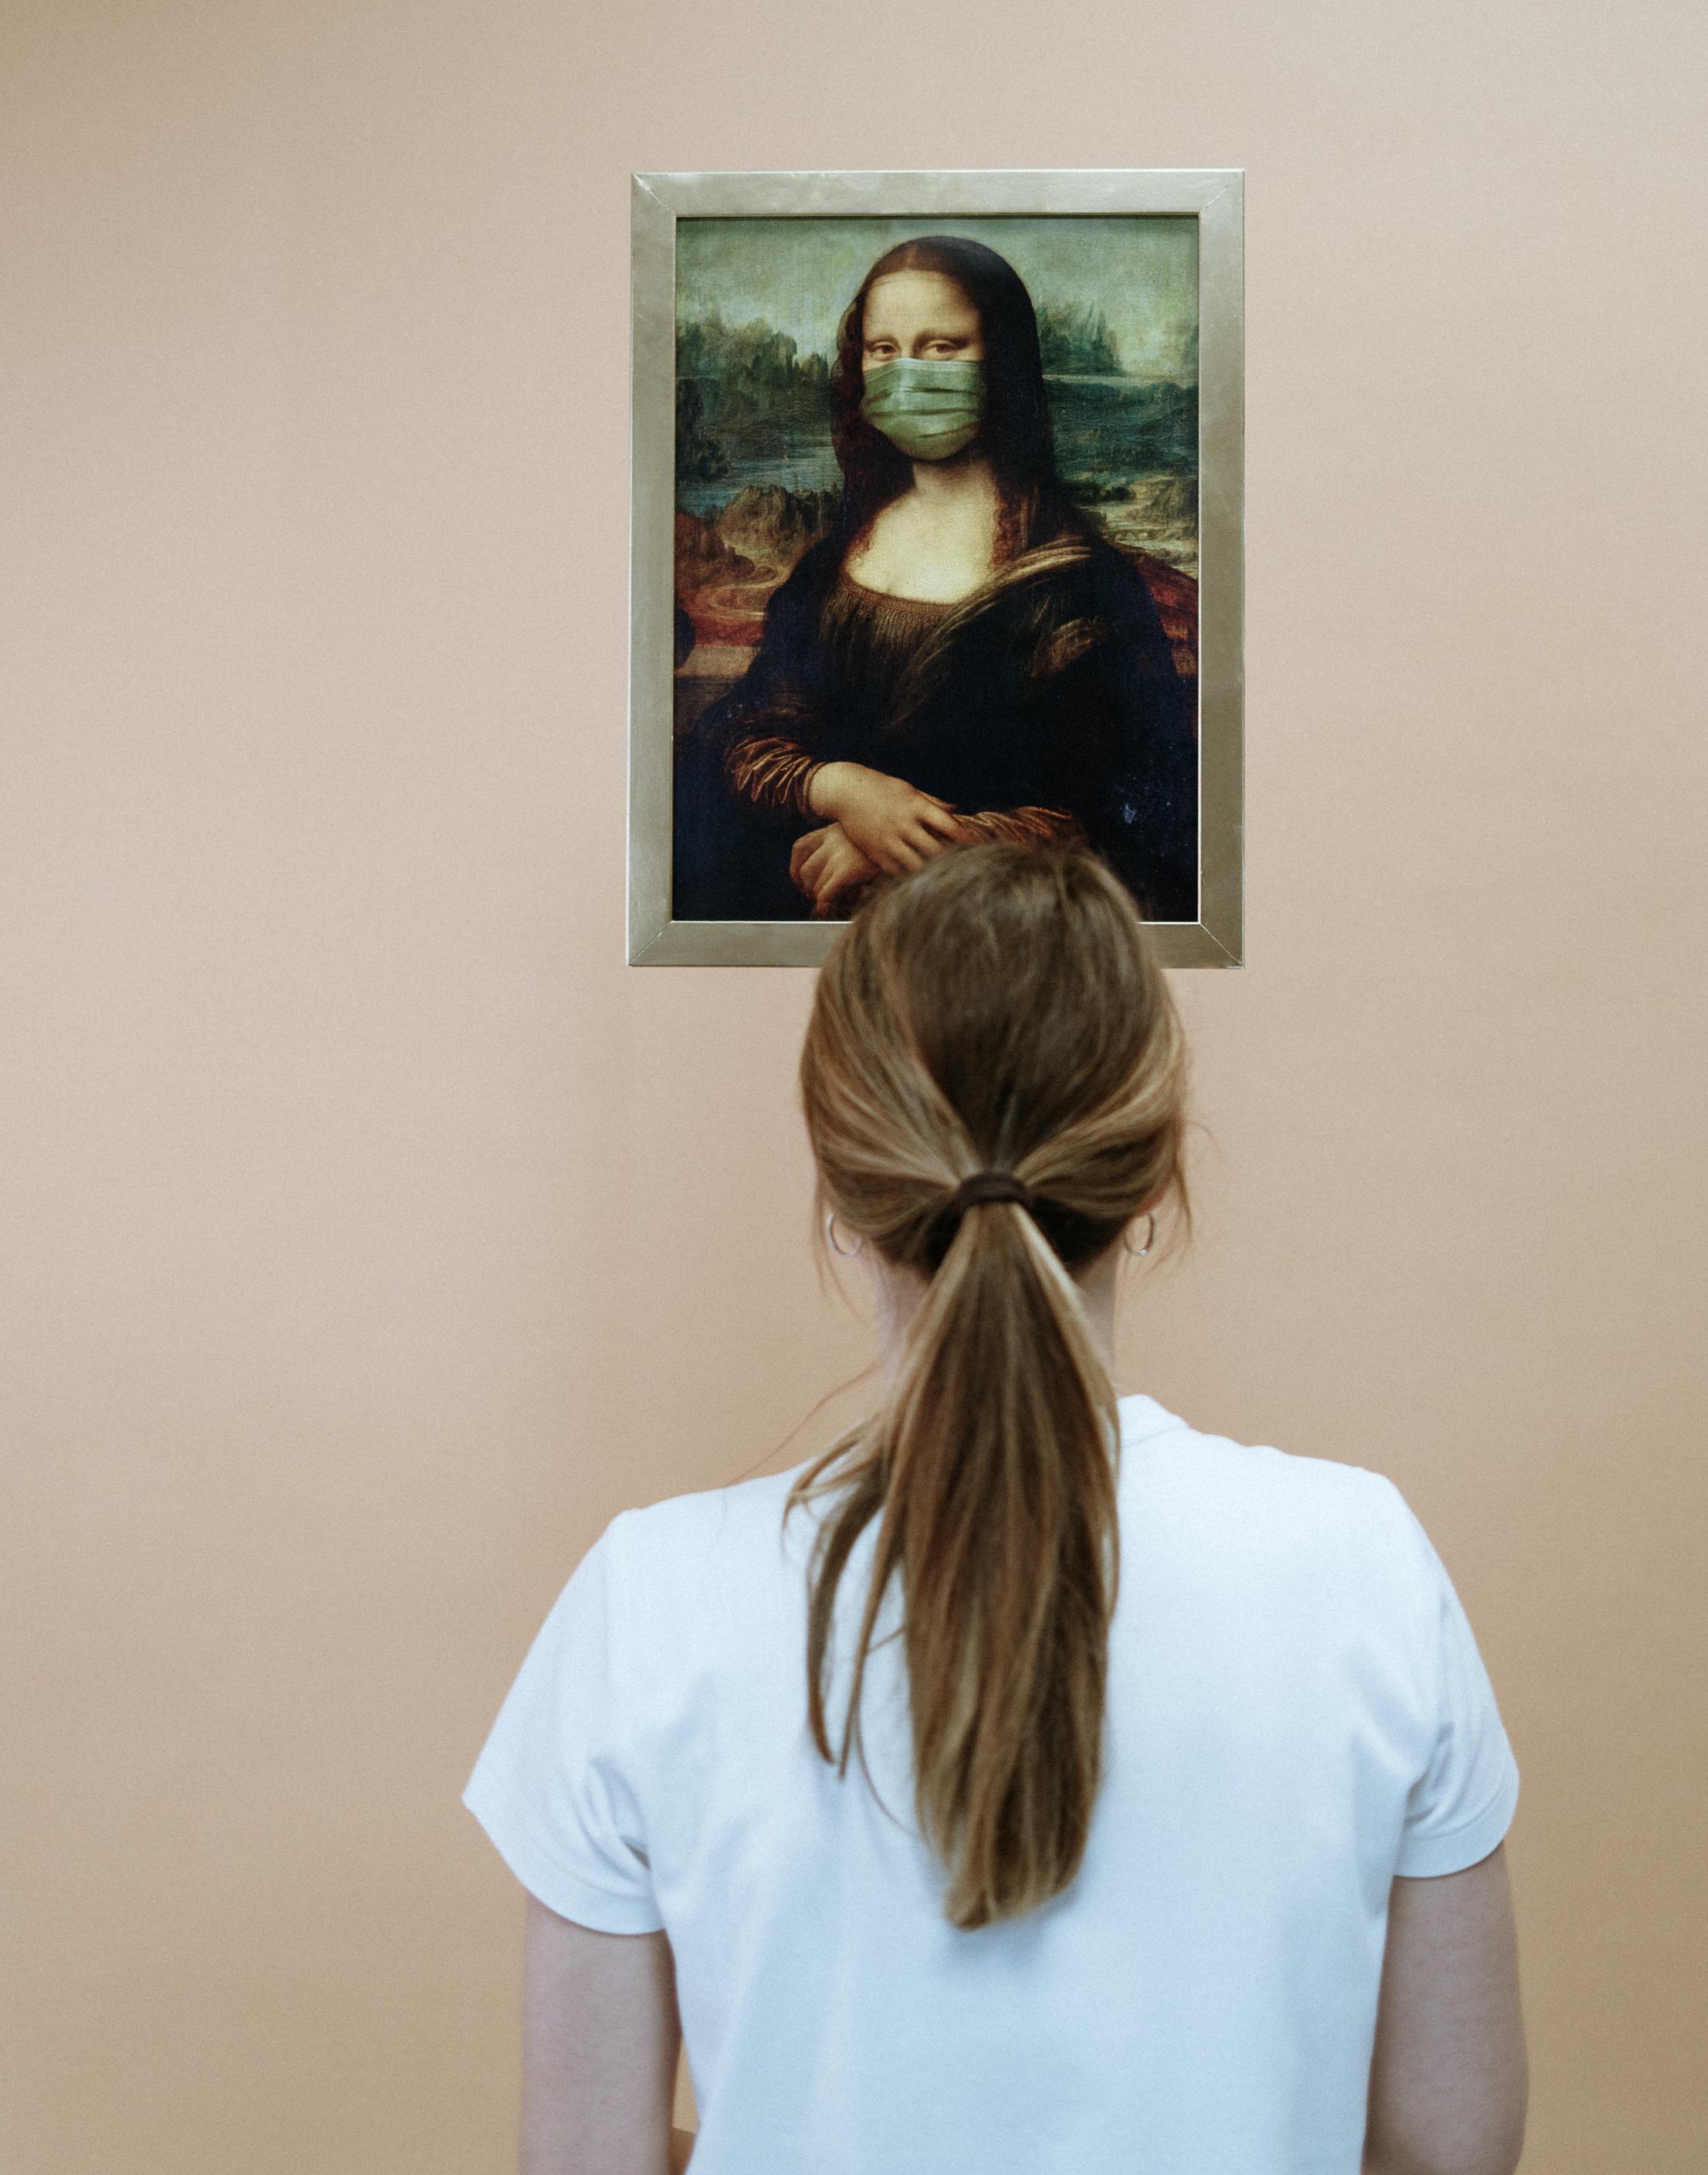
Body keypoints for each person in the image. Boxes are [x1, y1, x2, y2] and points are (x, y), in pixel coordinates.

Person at [463, 843, 1528, 2175]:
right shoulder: (1363, 1563)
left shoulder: (648, 1598)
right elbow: (1449, 2146)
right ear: (1155, 1175)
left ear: (844, 1185)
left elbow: (588, 2160)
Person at [671, 234, 1199, 923]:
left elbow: (1126, 815)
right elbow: (744, 732)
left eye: (942, 347)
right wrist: (842, 790)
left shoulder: (1080, 586)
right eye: (883, 349)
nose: (908, 374)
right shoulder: (832, 566)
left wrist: (914, 848)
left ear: (1001, 361)